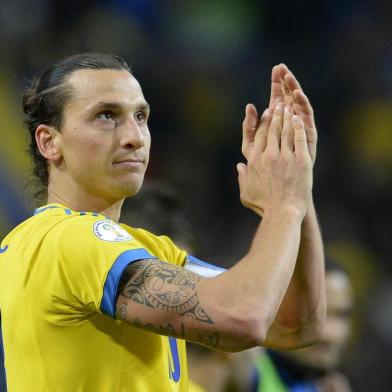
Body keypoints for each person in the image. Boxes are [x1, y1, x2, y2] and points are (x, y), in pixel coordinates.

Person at [0, 53, 325, 391]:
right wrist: (284, 205)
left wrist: (298, 185)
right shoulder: (62, 239)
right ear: (49, 142)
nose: (135, 137)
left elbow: (294, 325)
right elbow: (244, 316)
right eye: (106, 115)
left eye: (140, 116)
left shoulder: (152, 249)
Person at [253, 261, 353, 392]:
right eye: (314, 313)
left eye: (341, 315)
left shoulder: (326, 387)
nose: (330, 335)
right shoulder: (246, 367)